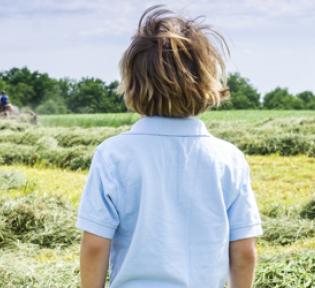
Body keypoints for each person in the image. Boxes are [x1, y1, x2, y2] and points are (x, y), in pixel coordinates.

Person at [77, 6, 262, 288]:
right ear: (207, 85)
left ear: (132, 85)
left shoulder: (113, 154)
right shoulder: (228, 159)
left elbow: (94, 246)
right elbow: (244, 252)